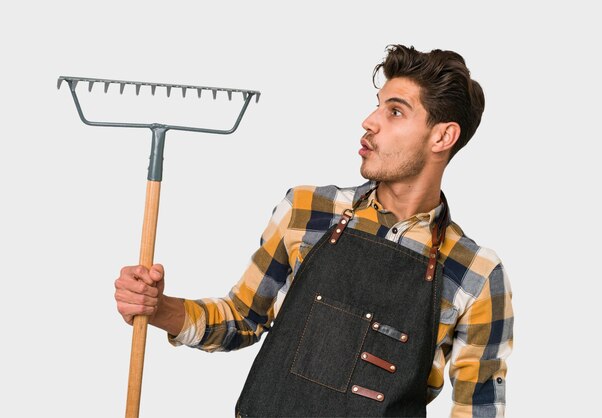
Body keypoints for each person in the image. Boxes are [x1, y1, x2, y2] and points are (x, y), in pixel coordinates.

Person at [114, 44, 514, 417]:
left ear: (442, 136)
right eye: (378, 106)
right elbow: (242, 319)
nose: (369, 121)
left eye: (395, 112)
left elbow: (477, 410)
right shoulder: (307, 211)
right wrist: (159, 308)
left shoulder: (476, 274)